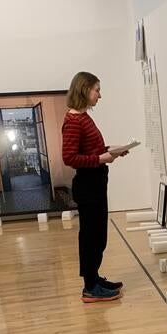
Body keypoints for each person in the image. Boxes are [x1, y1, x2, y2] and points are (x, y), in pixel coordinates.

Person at [62, 71, 129, 303]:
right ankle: (90, 287)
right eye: (97, 90)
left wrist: (113, 150)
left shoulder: (83, 117)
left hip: (96, 184)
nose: (100, 95)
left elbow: (89, 150)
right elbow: (69, 158)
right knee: (91, 237)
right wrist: (102, 158)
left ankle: (94, 278)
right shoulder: (73, 121)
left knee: (98, 236)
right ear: (84, 90)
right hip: (88, 186)